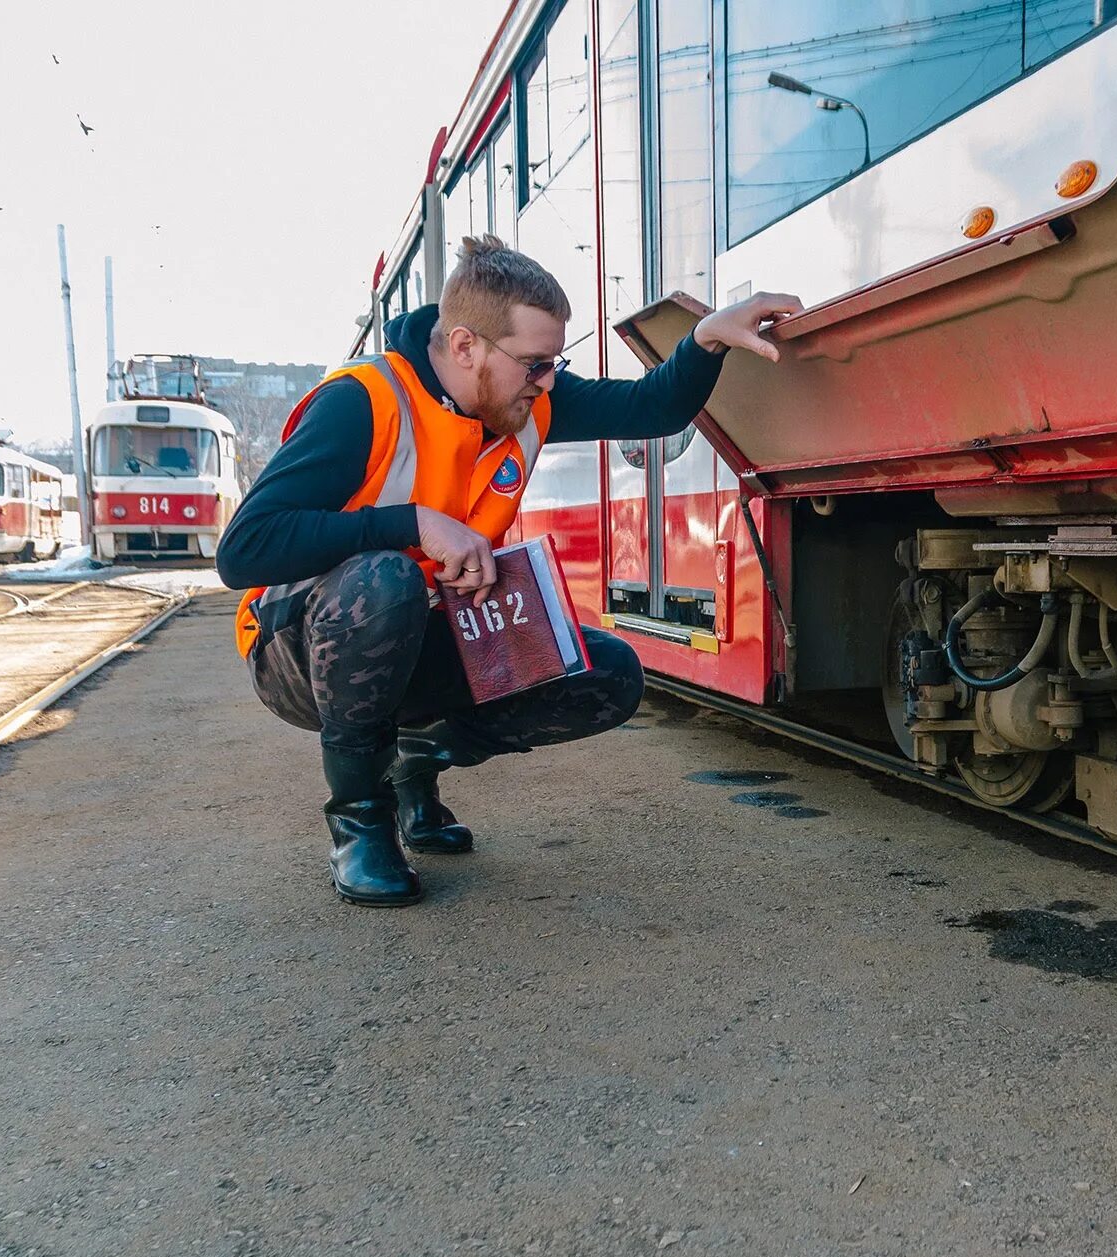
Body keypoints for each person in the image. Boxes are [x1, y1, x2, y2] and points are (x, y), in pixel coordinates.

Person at [217, 234, 797, 907]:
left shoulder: (524, 399)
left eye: (555, 361)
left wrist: (706, 339)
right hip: (299, 653)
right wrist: (412, 524)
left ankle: (413, 761)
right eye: (534, 363)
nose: (548, 380)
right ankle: (361, 822)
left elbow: (650, 410)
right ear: (465, 347)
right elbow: (245, 548)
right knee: (386, 581)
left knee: (606, 676)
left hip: (418, 638)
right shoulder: (363, 403)